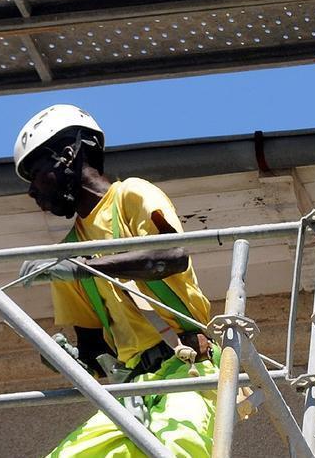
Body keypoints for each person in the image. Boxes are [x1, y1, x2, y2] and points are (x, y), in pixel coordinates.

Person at [13, 104, 219, 458]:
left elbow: (170, 256)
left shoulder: (130, 196)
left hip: (186, 367)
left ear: (68, 155)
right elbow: (94, 349)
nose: (32, 191)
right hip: (131, 388)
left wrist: (84, 267)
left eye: (36, 172)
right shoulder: (69, 251)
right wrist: (70, 358)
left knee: (177, 450)